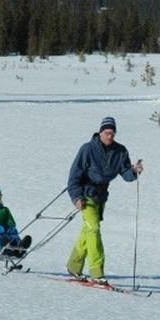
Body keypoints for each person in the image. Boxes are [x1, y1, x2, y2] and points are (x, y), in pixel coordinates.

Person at [66, 116, 143, 284]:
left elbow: (126, 173)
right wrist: (76, 197)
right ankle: (97, 273)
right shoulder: (87, 149)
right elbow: (73, 177)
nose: (110, 136)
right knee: (94, 229)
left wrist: (135, 171)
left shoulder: (120, 151)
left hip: (101, 198)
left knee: (88, 231)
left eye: (113, 133)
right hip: (86, 196)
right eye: (107, 133)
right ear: (100, 132)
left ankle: (74, 265)